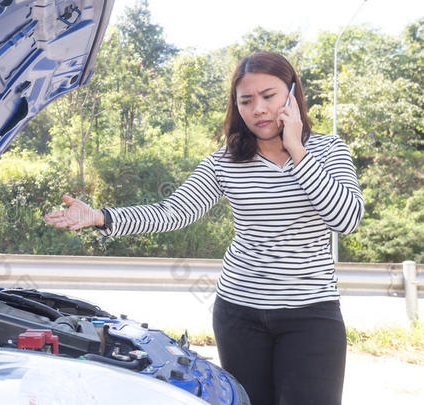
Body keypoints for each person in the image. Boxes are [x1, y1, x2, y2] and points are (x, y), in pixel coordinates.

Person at [43, 51, 364, 405]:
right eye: (246, 100)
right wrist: (101, 216)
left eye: (268, 96)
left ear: (291, 94)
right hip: (240, 313)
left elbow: (346, 219)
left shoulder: (329, 149)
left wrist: (298, 152)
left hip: (311, 314)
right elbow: (173, 211)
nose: (258, 109)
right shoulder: (226, 160)